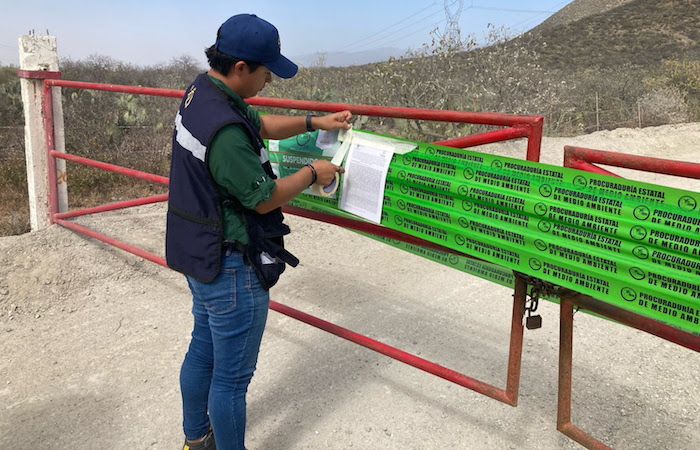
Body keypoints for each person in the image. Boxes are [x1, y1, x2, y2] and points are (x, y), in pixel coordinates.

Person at [165, 13, 352, 450]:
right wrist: (313, 172)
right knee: (231, 381)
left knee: (202, 349)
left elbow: (260, 124)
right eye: (267, 72)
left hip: (199, 250)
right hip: (230, 264)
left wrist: (315, 123)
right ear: (241, 67)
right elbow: (263, 198)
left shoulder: (205, 91)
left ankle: (196, 439)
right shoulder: (226, 131)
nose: (269, 80)